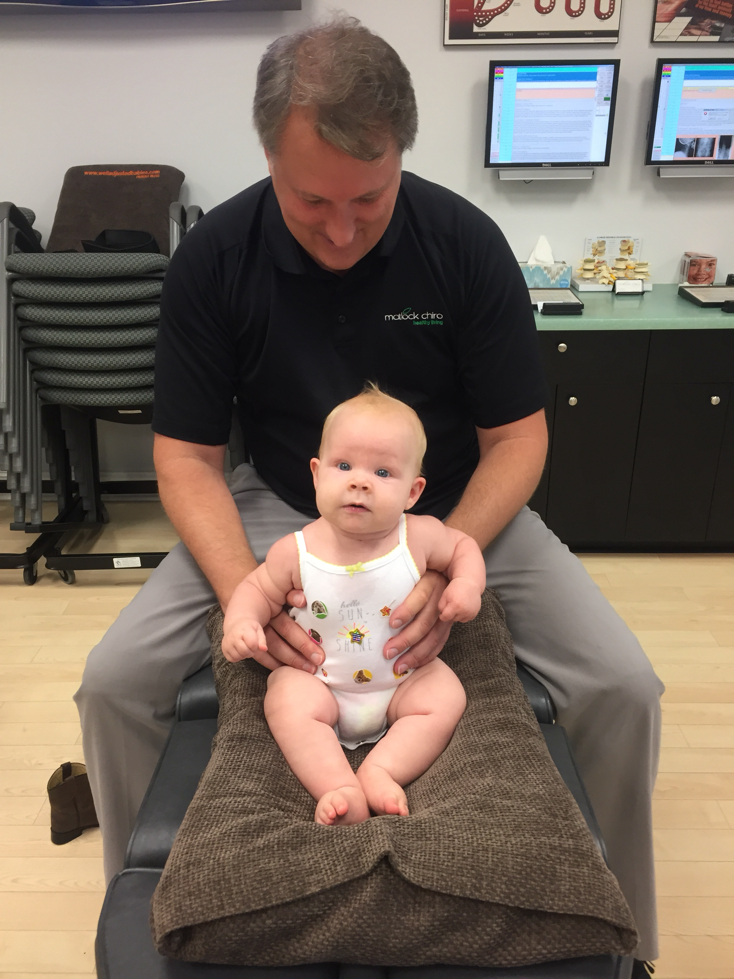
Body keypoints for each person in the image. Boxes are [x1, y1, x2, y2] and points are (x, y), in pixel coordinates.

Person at [74, 14, 663, 971]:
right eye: (313, 202)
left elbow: (520, 439)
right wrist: (247, 591)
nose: (342, 230)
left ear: (401, 156)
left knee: (624, 686)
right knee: (113, 683)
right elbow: (184, 457)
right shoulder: (214, 260)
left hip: (452, 507)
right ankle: (150, 928)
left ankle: (619, 940)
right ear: (268, 156)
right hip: (284, 503)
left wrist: (441, 559)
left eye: (370, 199)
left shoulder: (464, 245)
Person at [222, 386, 485, 826]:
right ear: (316, 474)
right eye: (343, 466)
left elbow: (463, 548)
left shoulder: (419, 537)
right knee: (285, 698)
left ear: (412, 492)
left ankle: (383, 770)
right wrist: (242, 622)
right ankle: (337, 786)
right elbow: (256, 589)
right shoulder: (295, 551)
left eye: (382, 472)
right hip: (321, 683)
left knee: (446, 696)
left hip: (403, 680)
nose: (359, 482)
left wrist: (467, 585)